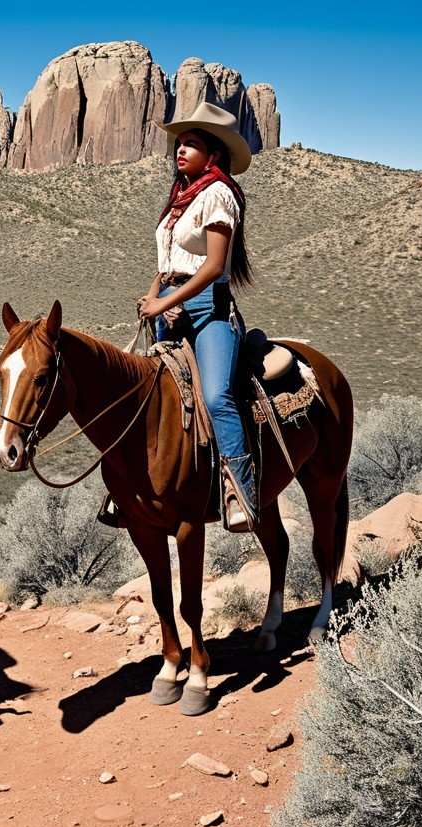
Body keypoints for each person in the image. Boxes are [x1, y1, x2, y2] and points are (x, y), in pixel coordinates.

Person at [136, 103, 257, 531]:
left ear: (215, 155)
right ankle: (130, 491)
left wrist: (166, 304)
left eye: (192, 143)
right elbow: (168, 263)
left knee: (216, 396)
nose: (181, 150)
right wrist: (154, 297)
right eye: (180, 142)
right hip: (170, 308)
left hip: (210, 311)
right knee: (141, 392)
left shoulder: (219, 194)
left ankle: (237, 490)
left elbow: (211, 267)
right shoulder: (178, 200)